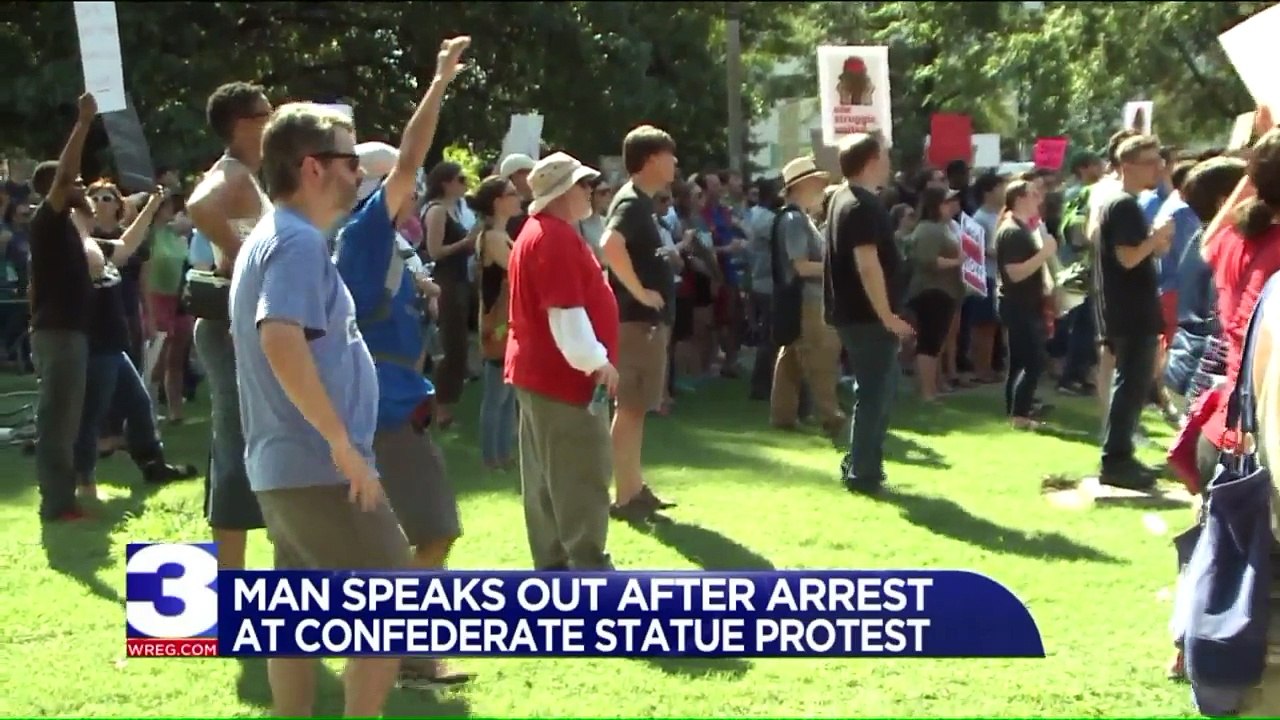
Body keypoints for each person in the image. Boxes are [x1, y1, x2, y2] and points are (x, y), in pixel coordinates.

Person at [230, 103, 407, 717]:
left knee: (292, 619)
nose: (359, 173)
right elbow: (279, 335)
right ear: (312, 167)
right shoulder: (297, 243)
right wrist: (340, 442)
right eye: (350, 161)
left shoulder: (273, 237)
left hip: (285, 469)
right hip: (318, 469)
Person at [332, 36, 471, 689]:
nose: (409, 192)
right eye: (396, 182)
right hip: (384, 407)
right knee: (434, 531)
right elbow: (413, 160)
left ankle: (391, 654)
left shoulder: (387, 243)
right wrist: (439, 81)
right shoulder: (364, 230)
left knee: (395, 542)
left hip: (392, 402)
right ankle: (407, 656)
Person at [505, 152, 620, 570]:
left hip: (540, 376)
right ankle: (589, 574)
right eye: (583, 185)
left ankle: (555, 575)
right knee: (579, 480)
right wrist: (597, 362)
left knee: (546, 485)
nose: (590, 191)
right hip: (563, 380)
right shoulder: (554, 236)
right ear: (561, 192)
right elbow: (565, 313)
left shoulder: (537, 232)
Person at [186, 81, 274, 570]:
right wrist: (246, 260)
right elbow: (199, 206)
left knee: (241, 443)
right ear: (244, 124)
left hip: (238, 326)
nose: (274, 119)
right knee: (236, 445)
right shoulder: (233, 173)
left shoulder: (250, 175)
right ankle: (230, 585)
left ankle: (233, 580)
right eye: (267, 113)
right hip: (227, 330)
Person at [824, 132, 913, 495]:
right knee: (875, 393)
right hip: (867, 317)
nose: (890, 164)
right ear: (872, 160)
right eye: (885, 157)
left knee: (877, 389)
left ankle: (862, 464)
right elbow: (867, 265)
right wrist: (887, 315)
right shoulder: (860, 205)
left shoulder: (842, 198)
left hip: (855, 314)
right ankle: (864, 472)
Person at [600, 125, 679, 523]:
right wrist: (641, 291)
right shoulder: (631, 203)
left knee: (638, 408)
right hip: (636, 322)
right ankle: (624, 495)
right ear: (650, 160)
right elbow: (609, 245)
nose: (675, 162)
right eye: (669, 155)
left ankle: (634, 488)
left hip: (645, 323)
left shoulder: (642, 203)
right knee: (630, 408)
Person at [1092, 134, 1175, 489]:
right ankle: (1116, 460)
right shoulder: (1123, 204)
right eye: (1151, 161)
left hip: (1126, 307)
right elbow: (1127, 257)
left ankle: (1120, 454)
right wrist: (1154, 241)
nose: (1159, 167)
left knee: (1130, 384)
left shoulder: (1122, 203)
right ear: (1128, 166)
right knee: (1131, 385)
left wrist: (1154, 243)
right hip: (1130, 309)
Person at [29, 93, 97, 522]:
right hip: (59, 334)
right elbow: (67, 172)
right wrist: (85, 122)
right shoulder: (47, 220)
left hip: (67, 332)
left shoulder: (67, 228)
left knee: (67, 419)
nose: (81, 186)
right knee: (57, 422)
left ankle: (64, 498)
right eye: (73, 183)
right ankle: (57, 504)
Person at [769, 156, 844, 434]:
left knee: (791, 357)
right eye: (816, 182)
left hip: (803, 299)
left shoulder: (799, 218)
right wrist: (835, 268)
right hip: (808, 300)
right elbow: (800, 265)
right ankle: (831, 415)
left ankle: (783, 415)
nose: (821, 186)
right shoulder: (794, 220)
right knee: (821, 359)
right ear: (801, 185)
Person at [996, 181, 1058, 429]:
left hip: (1023, 303)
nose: (1039, 199)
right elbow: (1014, 273)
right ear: (1020, 198)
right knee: (1033, 361)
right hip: (1017, 304)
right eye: (1033, 194)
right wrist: (1045, 253)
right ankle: (1020, 415)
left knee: (1020, 361)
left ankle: (1017, 411)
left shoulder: (1020, 228)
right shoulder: (1012, 231)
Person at [470, 175, 521, 470]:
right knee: (496, 396)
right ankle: (491, 457)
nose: (518, 197)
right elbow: (519, 270)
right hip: (497, 325)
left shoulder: (502, 235)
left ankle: (504, 455)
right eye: (511, 193)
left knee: (507, 395)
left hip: (508, 324)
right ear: (497, 202)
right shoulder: (492, 238)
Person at [906, 186, 965, 402]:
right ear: (936, 205)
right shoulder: (929, 229)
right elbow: (928, 260)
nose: (951, 205)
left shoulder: (944, 227)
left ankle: (931, 387)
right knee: (928, 343)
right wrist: (957, 262)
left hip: (945, 291)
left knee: (935, 342)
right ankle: (927, 392)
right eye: (946, 202)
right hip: (931, 291)